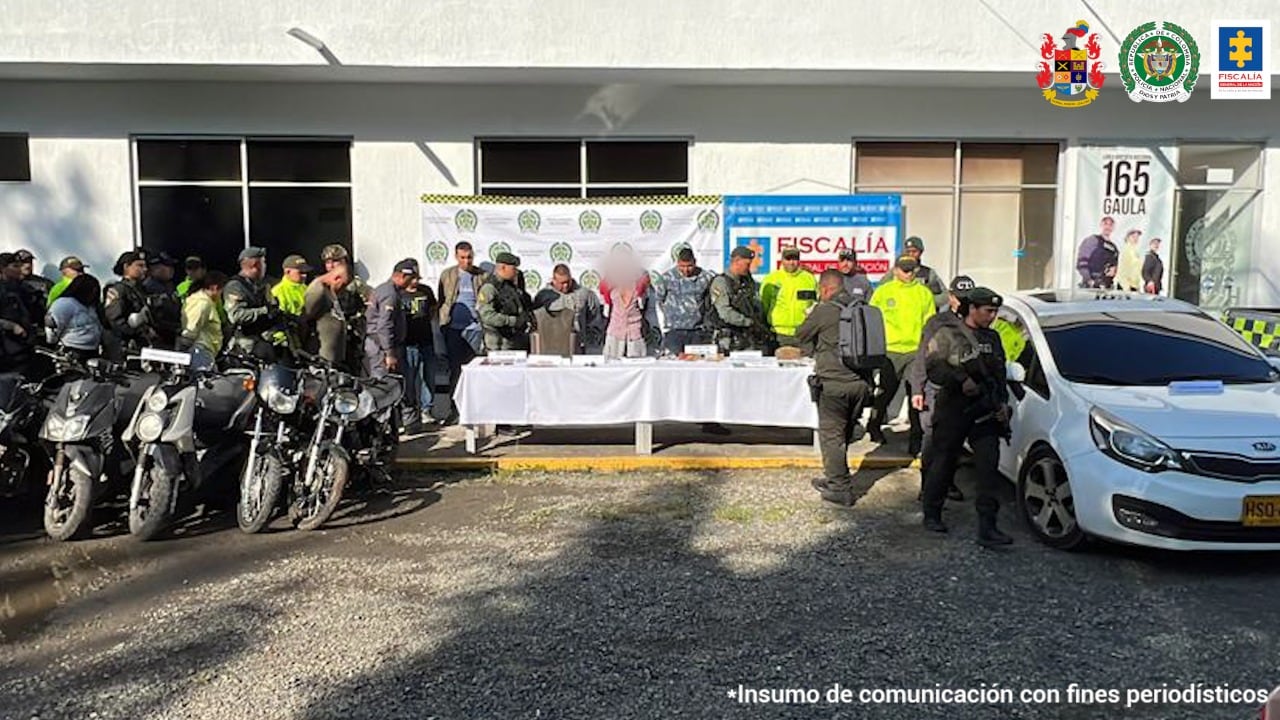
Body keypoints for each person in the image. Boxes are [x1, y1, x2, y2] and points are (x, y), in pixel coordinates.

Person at [921, 287, 1013, 547]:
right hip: (954, 409)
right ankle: (932, 513)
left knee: (988, 467)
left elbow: (999, 374)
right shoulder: (948, 334)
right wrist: (959, 381)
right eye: (988, 311)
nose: (992, 316)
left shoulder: (993, 338)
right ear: (972, 309)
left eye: (995, 311)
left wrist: (1003, 403)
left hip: (986, 411)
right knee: (944, 462)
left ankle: (988, 526)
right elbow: (934, 366)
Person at [795, 269, 873, 506]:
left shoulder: (824, 309)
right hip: (860, 383)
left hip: (833, 383)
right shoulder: (862, 307)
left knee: (832, 436)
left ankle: (840, 488)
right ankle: (834, 477)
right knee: (845, 433)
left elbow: (801, 335)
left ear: (826, 289)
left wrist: (810, 313)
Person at [909, 275, 974, 501]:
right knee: (931, 442)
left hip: (961, 394)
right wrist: (917, 389)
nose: (963, 303)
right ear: (951, 297)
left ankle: (947, 482)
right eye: (959, 298)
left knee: (954, 442)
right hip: (935, 389)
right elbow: (922, 356)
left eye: (967, 298)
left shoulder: (975, 322)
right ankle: (928, 486)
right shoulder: (937, 322)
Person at [868, 256, 936, 452]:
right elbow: (873, 319)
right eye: (904, 269)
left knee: (915, 393)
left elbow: (929, 323)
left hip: (915, 351)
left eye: (912, 269)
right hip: (890, 351)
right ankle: (874, 426)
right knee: (885, 391)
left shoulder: (924, 293)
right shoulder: (883, 292)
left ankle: (916, 438)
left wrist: (927, 349)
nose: (908, 273)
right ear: (895, 270)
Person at [438, 241, 489, 398]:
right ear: (456, 256)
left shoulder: (482, 276)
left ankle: (476, 404)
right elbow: (442, 300)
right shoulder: (447, 275)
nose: (466, 261)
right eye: (463, 257)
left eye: (469, 257)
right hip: (453, 329)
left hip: (476, 329)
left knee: (476, 369)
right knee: (455, 369)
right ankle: (455, 408)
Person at [223, 247, 282, 361]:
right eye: (263, 263)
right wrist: (264, 310)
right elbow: (236, 315)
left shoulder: (261, 285)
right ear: (255, 265)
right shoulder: (235, 287)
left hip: (262, 338)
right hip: (244, 345)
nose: (265, 266)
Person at [708, 246, 770, 353]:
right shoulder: (721, 282)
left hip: (746, 336)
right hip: (728, 337)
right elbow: (725, 313)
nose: (749, 267)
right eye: (747, 264)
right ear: (736, 261)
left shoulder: (746, 282)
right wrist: (748, 322)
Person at [655, 247, 714, 355]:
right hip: (674, 331)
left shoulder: (706, 277)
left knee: (698, 366)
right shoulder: (667, 278)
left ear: (695, 262)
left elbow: (710, 302)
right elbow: (659, 300)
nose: (686, 270)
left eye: (689, 266)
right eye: (682, 266)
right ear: (677, 263)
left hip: (697, 331)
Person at [320, 244, 370, 371]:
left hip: (351, 337)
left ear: (344, 262)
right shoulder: (320, 284)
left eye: (335, 261)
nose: (331, 266)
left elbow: (371, 304)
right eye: (328, 262)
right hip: (328, 337)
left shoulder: (355, 284)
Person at [401, 260, 438, 426]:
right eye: (412, 278)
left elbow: (432, 310)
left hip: (426, 341)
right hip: (408, 343)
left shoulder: (426, 291)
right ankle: (410, 413)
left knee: (429, 377)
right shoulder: (399, 293)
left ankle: (426, 410)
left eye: (417, 277)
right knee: (409, 380)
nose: (415, 281)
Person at [532, 264, 599, 354]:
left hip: (577, 345)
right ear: (554, 280)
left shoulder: (585, 294)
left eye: (568, 281)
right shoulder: (543, 296)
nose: (565, 285)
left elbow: (593, 316)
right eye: (562, 283)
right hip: (550, 346)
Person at [760, 247, 817, 349]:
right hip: (779, 334)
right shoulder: (771, 279)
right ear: (782, 260)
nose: (791, 262)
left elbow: (815, 303)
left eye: (794, 259)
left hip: (803, 334)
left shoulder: (809, 279)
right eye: (788, 259)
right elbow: (764, 305)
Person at [599, 248, 651, 359]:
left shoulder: (640, 287)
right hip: (614, 333)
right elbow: (605, 310)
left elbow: (643, 306)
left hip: (635, 334)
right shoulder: (610, 287)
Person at [365, 260, 413, 379]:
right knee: (383, 385)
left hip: (379, 345)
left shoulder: (384, 289)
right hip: (380, 347)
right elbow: (384, 325)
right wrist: (389, 353)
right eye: (411, 278)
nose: (411, 282)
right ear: (403, 276)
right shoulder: (390, 293)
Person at [477, 252, 533, 352]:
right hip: (497, 345)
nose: (516, 272)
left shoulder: (511, 287)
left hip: (513, 342)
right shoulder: (489, 288)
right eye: (513, 268)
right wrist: (512, 321)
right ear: (503, 267)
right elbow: (487, 316)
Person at [103, 250, 153, 357]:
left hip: (143, 344)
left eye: (145, 266)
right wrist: (133, 333)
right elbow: (114, 319)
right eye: (139, 265)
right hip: (125, 346)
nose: (145, 269)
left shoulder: (142, 289)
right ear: (126, 266)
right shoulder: (118, 289)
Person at [45, 273, 104, 361]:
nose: (93, 294)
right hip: (71, 351)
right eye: (91, 291)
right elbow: (53, 328)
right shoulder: (65, 303)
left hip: (92, 352)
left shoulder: (91, 306)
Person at [302, 264, 351, 367]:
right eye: (343, 284)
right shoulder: (317, 290)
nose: (342, 289)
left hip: (334, 357)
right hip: (322, 356)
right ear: (336, 278)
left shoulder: (330, 289)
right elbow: (306, 318)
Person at [881, 237, 946, 311]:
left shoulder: (928, 273)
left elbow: (945, 297)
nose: (911, 254)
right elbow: (881, 293)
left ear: (921, 252)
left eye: (914, 251)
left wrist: (926, 299)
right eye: (908, 252)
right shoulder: (894, 272)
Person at [0, 252, 40, 373]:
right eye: (15, 266)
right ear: (3, 268)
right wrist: (12, 326)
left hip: (24, 346)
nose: (19, 270)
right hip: (7, 349)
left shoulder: (21, 287)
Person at [178, 270, 226, 359]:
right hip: (199, 352)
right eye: (221, 291)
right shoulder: (201, 303)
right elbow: (191, 330)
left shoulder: (207, 302)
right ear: (214, 288)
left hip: (206, 352)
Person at [142, 252, 182, 350]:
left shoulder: (169, 286)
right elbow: (155, 318)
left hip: (171, 337)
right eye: (168, 265)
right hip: (159, 339)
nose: (172, 269)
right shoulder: (148, 287)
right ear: (155, 267)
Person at [1076, 217, 1115, 288]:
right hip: (1091, 286)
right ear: (1101, 225)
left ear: (1113, 228)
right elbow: (1082, 262)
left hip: (1106, 287)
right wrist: (1089, 280)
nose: (1108, 227)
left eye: (1110, 225)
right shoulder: (1092, 240)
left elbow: (1114, 268)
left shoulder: (1114, 248)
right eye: (1105, 224)